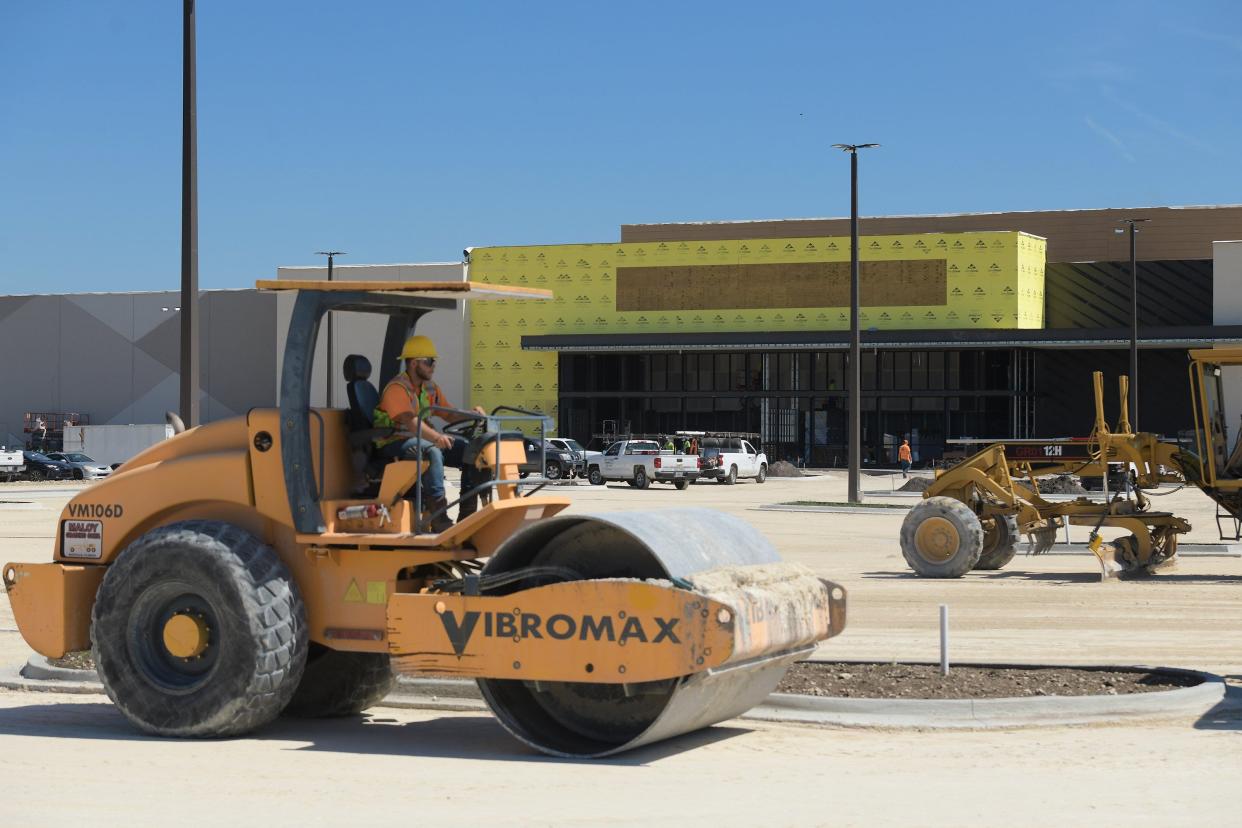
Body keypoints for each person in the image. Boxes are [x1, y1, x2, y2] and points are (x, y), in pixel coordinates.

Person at [373, 335, 486, 532]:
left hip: (420, 439)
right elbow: (410, 421)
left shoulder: (430, 388)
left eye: (434, 362)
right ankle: (439, 517)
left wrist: (473, 415)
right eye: (430, 362)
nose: (434, 366)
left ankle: (468, 513)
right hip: (395, 441)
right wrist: (436, 437)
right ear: (415, 363)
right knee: (431, 451)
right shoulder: (397, 388)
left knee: (473, 450)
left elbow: (449, 415)